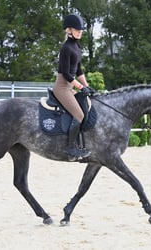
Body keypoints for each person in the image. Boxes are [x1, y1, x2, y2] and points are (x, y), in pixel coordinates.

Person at [53, 14, 93, 162]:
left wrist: (88, 87)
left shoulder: (77, 46)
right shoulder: (66, 48)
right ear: (69, 30)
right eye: (77, 29)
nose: (80, 32)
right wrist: (81, 87)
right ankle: (71, 150)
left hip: (71, 86)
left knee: (87, 107)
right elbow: (66, 74)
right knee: (79, 115)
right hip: (62, 87)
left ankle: (80, 144)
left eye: (81, 30)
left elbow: (79, 71)